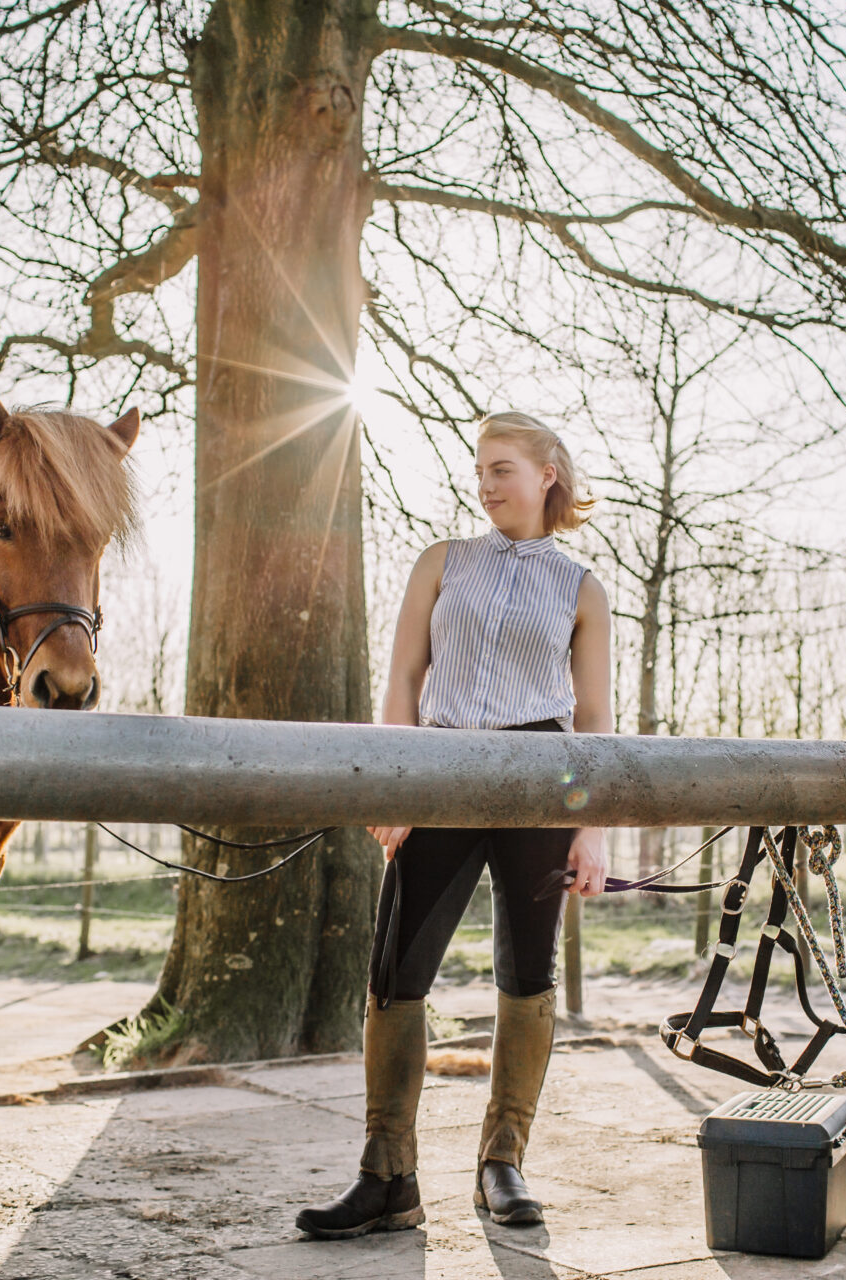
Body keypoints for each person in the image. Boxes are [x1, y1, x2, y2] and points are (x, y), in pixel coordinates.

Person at [296, 411, 614, 1239]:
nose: (485, 483)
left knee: (528, 970)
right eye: (479, 469)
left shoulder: (582, 588)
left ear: (546, 474)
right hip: (437, 773)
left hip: (540, 783)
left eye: (501, 468)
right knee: (398, 967)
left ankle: (502, 1164)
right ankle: (386, 1175)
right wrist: (394, 783)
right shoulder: (442, 562)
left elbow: (594, 721)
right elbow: (403, 677)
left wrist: (591, 828)